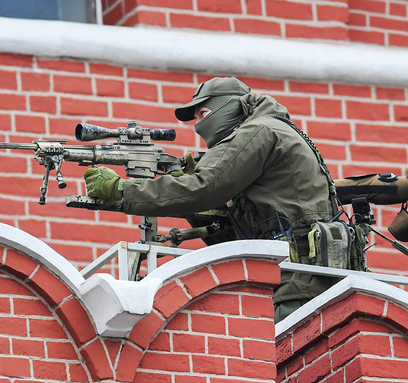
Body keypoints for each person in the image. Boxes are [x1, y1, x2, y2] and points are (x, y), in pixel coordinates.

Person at [83, 76, 342, 323]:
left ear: (232, 106)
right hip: (300, 277)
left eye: (203, 114)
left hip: (296, 284)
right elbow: (231, 231)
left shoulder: (259, 131)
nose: (197, 124)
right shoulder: (274, 128)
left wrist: (123, 190)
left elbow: (203, 188)